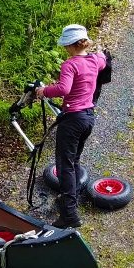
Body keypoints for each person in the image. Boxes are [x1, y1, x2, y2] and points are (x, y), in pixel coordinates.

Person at [37, 24, 108, 229]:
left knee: (64, 166)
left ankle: (69, 214)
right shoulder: (95, 60)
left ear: (69, 45)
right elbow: (105, 59)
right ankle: (72, 198)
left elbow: (63, 88)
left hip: (72, 120)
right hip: (88, 118)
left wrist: (43, 91)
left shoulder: (70, 64)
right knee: (74, 160)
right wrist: (101, 52)